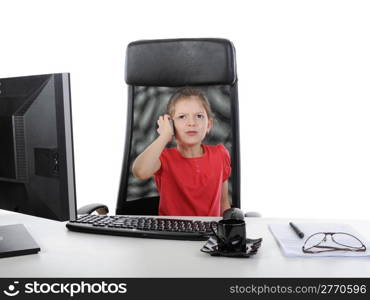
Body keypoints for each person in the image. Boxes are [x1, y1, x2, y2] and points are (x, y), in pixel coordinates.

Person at [132, 87, 231, 216]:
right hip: (172, 233)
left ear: (208, 125)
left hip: (209, 234)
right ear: (171, 125)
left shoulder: (220, 154)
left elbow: (224, 204)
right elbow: (139, 171)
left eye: (199, 116)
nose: (192, 123)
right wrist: (164, 136)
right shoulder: (163, 158)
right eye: (182, 117)